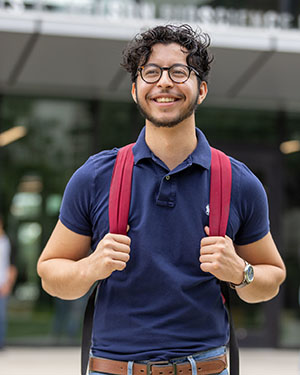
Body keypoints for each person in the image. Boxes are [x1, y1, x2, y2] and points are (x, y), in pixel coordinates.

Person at [37, 24, 286, 374]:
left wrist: (241, 273)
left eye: (178, 71)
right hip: (112, 367)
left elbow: (272, 277)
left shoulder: (238, 182)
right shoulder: (96, 176)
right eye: (151, 72)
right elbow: (50, 273)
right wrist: (89, 267)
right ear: (135, 89)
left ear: (201, 90)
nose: (164, 82)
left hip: (206, 367)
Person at [0, 213, 17, 349]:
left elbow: (12, 265)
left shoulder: (8, 241)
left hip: (2, 283)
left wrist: (8, 283)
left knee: (1, 316)